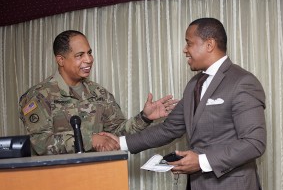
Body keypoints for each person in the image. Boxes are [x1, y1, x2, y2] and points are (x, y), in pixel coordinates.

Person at [104, 18, 266, 190]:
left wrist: (202, 162)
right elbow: (169, 129)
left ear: (209, 44)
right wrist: (118, 143)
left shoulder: (242, 82)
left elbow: (254, 143)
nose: (184, 50)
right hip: (196, 187)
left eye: (189, 43)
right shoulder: (194, 84)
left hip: (233, 188)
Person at [19, 30, 178, 156]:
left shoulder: (99, 92)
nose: (88, 59)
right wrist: (90, 140)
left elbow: (117, 133)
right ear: (61, 60)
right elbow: (41, 143)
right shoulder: (39, 95)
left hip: (99, 175)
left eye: (89, 52)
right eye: (80, 55)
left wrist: (144, 117)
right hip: (59, 179)